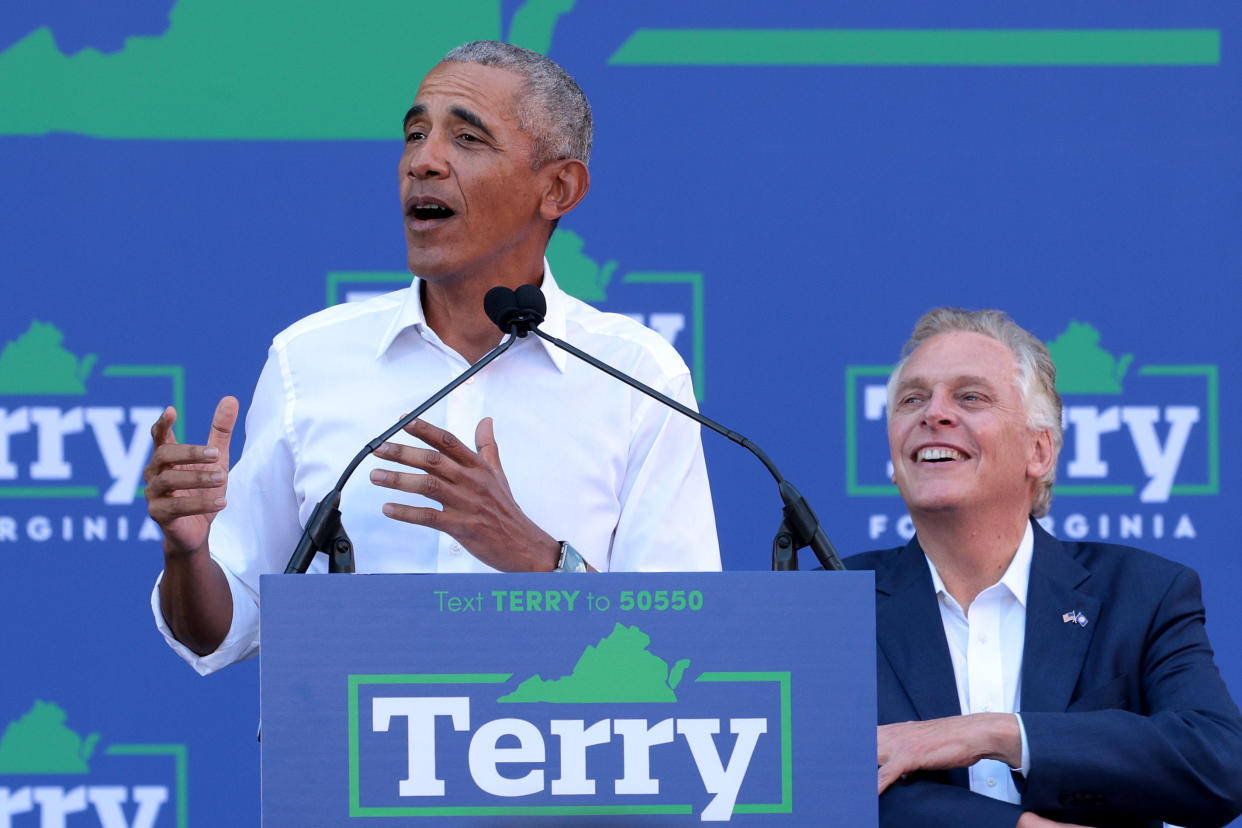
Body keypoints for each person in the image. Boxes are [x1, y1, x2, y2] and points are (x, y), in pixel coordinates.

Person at [143, 41, 720, 675]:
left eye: (467, 140)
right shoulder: (309, 360)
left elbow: (678, 646)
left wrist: (536, 559)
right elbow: (216, 629)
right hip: (355, 770)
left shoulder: (636, 377)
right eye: (415, 134)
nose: (424, 161)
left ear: (558, 187)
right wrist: (188, 555)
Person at [846, 308, 1242, 828]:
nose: (933, 414)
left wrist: (999, 734)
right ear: (895, 460)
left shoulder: (1144, 593)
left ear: (1040, 450)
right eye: (912, 399)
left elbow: (1219, 764)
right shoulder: (835, 602)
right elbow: (814, 783)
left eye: (970, 397)